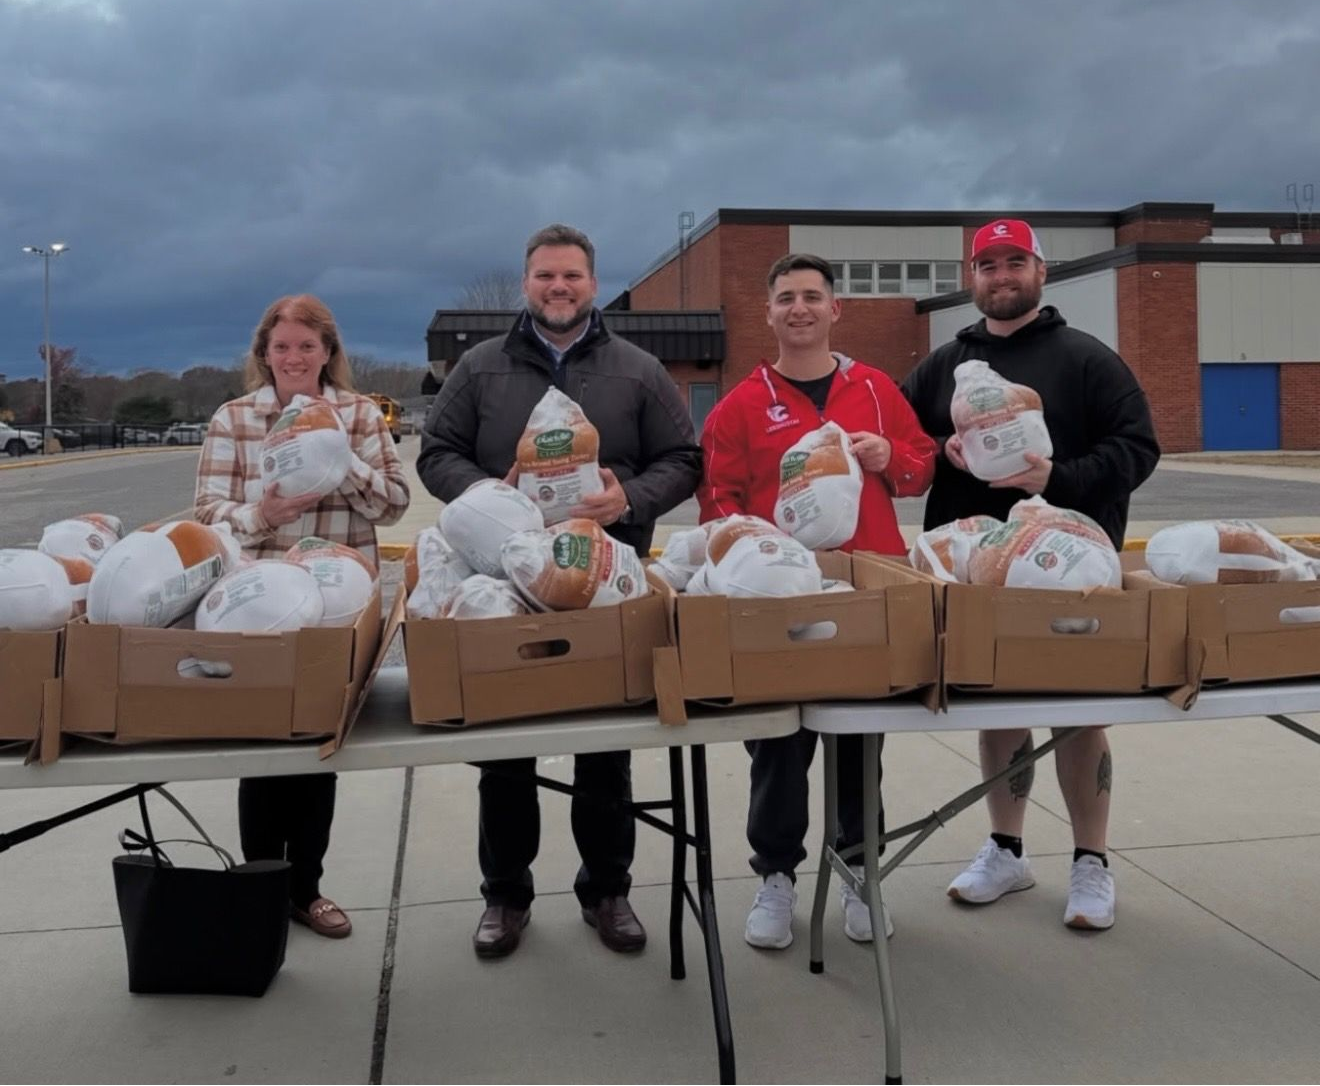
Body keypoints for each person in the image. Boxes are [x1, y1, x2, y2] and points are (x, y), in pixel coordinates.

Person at [417, 223, 703, 960]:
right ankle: (505, 896)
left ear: (593, 284)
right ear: (526, 284)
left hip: (607, 581)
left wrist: (629, 501)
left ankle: (607, 890)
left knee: (605, 749)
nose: (559, 288)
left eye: (572, 276)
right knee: (505, 747)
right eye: (546, 276)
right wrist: (487, 496)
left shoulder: (637, 370)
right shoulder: (480, 368)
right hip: (504, 586)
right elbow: (435, 453)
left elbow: (684, 459)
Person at [901, 219, 1160, 931]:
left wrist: (1058, 477)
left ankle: (1091, 861)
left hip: (1073, 578)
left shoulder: (1087, 360)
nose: (1001, 275)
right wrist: (942, 452)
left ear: (1041, 271)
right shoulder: (944, 363)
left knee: (1079, 716)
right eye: (988, 264)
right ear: (972, 278)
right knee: (998, 712)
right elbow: (901, 442)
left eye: (1016, 262)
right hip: (977, 580)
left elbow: (1138, 449)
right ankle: (1007, 849)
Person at [697, 253, 937, 950]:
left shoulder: (876, 389)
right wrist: (755, 552)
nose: (798, 308)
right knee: (779, 742)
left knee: (861, 740)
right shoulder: (741, 404)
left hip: (868, 587)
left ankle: (861, 870)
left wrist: (889, 456)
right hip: (784, 598)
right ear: (768, 313)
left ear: (836, 310)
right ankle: (776, 875)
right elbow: (719, 502)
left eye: (812, 297)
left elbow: (921, 465)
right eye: (785, 298)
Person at [195, 293, 410, 939]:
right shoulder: (235, 418)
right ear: (264, 353)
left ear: (328, 354)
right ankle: (260, 889)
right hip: (257, 607)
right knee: (262, 752)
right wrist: (264, 516)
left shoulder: (361, 414)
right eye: (281, 347)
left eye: (306, 347)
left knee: (318, 749)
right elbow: (205, 511)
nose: (293, 358)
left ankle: (307, 890)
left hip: (337, 607)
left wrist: (338, 460)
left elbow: (395, 504)